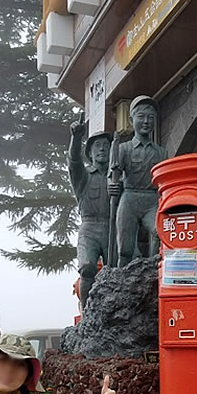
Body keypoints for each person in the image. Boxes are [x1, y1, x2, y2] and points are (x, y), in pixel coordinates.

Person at [108, 95, 167, 268]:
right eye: (141, 117)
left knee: (159, 231)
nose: (146, 121)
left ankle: (153, 271)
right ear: (132, 120)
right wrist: (111, 186)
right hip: (130, 198)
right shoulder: (123, 149)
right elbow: (113, 177)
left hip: (151, 200)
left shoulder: (161, 153)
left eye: (150, 117)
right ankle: (121, 280)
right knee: (124, 249)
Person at [68, 121, 112, 308]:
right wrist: (76, 137)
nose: (102, 149)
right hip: (89, 228)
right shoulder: (83, 176)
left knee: (116, 271)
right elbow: (74, 161)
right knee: (86, 268)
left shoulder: (117, 176)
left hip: (113, 227)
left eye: (106, 146)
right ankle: (87, 314)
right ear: (90, 152)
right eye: (97, 146)